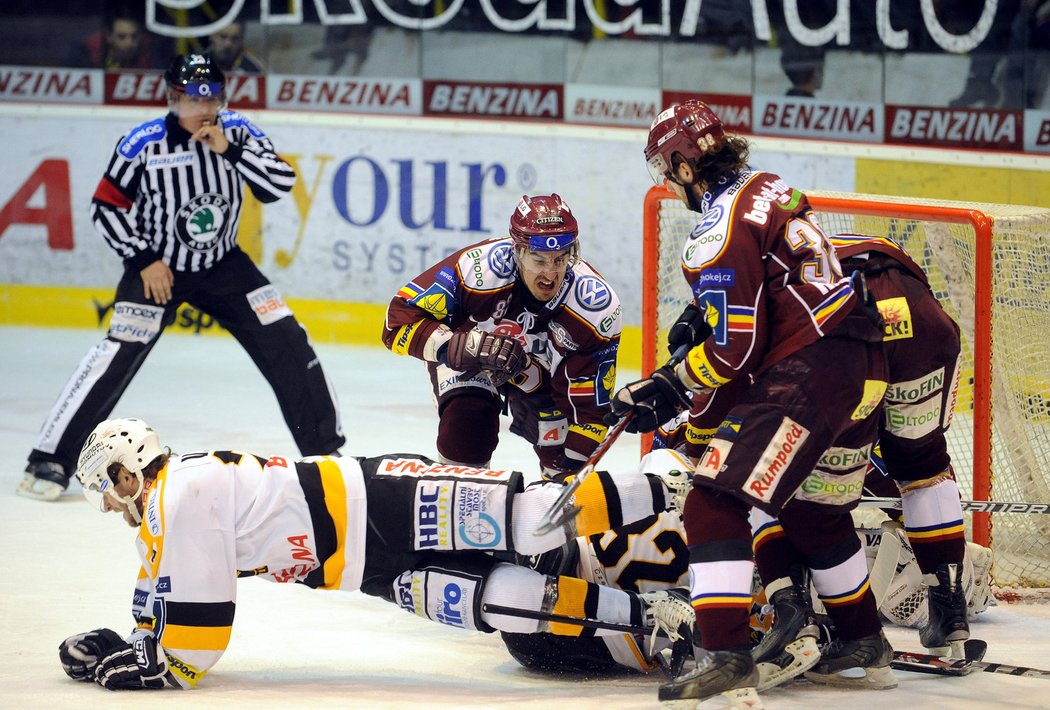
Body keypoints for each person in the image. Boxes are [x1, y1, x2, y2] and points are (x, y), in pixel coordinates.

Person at [57, 417, 694, 690]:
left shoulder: (180, 494)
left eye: (105, 488)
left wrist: (163, 662)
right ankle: (658, 619)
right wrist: (134, 640)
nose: (109, 505)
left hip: (383, 498)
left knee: (531, 525)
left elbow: (197, 642)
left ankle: (671, 482)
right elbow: (161, 596)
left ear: (127, 471)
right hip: (365, 569)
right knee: (505, 602)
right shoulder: (166, 510)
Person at [611, 101, 892, 708]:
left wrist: (668, 384)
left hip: (807, 372)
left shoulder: (715, 231)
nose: (665, 176)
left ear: (687, 163)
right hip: (858, 359)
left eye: (667, 164)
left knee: (714, 500)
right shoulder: (767, 187)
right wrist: (703, 328)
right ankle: (866, 640)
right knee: (814, 511)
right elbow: (769, 294)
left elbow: (735, 354)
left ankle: (725, 655)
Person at [17, 53, 344, 502]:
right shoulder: (143, 142)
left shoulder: (239, 130)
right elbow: (105, 207)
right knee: (116, 353)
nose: (205, 108)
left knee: (288, 339)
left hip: (224, 265)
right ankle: (48, 457)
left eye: (213, 98)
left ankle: (327, 456)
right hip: (159, 269)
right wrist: (144, 258)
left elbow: (278, 184)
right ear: (173, 98)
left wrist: (228, 150)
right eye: (194, 99)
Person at [381, 194, 621, 481]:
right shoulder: (477, 270)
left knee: (561, 455)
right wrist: (456, 346)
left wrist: (569, 473)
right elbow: (397, 322)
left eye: (560, 259)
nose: (550, 273)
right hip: (473, 358)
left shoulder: (595, 307)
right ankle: (458, 500)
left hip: (542, 376)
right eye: (538, 259)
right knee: (467, 427)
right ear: (517, 250)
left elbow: (590, 413)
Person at [66, 6, 165, 70]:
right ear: (109, 36)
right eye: (122, 37)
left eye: (134, 36)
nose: (129, 42)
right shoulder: (87, 52)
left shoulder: (152, 54)